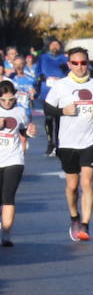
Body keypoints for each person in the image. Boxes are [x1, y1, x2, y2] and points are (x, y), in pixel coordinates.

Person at [46, 47, 93, 241]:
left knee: (86, 182)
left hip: (91, 141)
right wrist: (62, 111)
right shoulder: (60, 86)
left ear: (88, 63)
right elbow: (47, 108)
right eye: (75, 63)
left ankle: (85, 225)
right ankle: (74, 217)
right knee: (72, 186)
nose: (80, 67)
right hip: (67, 142)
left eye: (83, 63)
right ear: (69, 64)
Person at [0, 80, 36, 247]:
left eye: (10, 99)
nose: (7, 103)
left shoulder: (20, 111)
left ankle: (6, 234)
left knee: (8, 197)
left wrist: (30, 132)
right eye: (3, 100)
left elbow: (23, 131)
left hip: (14, 159)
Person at [35, 39, 68, 155]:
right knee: (49, 118)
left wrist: (63, 75)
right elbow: (37, 72)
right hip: (47, 91)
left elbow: (69, 72)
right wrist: (43, 78)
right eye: (52, 45)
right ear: (49, 46)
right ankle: (50, 142)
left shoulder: (64, 58)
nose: (54, 47)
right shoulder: (43, 57)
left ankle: (58, 143)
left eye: (57, 45)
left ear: (60, 47)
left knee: (59, 119)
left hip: (61, 92)